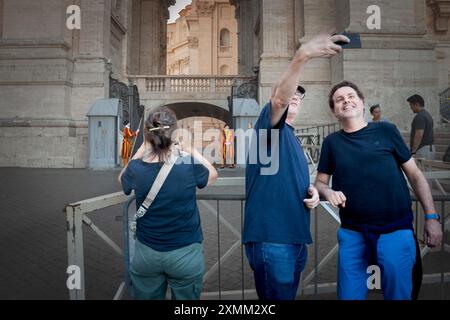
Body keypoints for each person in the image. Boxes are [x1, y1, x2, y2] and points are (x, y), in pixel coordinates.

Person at [242, 32, 349, 300]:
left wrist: (311, 193)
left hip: (295, 238)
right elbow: (280, 99)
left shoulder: (290, 137)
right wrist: (304, 55)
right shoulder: (268, 127)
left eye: (299, 97)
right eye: (291, 93)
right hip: (272, 239)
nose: (294, 98)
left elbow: (289, 181)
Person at [314, 80, 443, 300]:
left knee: (399, 295)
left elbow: (415, 174)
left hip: (395, 231)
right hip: (352, 234)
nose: (346, 101)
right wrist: (327, 193)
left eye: (351, 96)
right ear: (334, 111)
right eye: (339, 99)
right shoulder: (331, 143)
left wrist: (431, 217)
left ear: (362, 103)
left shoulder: (386, 130)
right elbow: (320, 183)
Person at [118, 107, 218, 300]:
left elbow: (122, 178)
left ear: (148, 136)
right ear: (175, 134)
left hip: (147, 252)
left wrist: (139, 150)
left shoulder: (137, 168)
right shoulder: (187, 165)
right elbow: (212, 173)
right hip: (185, 252)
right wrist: (189, 149)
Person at [407, 94, 435, 160]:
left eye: (411, 105)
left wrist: (413, 152)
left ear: (416, 104)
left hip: (423, 150)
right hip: (428, 149)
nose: (410, 107)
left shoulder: (420, 117)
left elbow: (419, 135)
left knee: (422, 170)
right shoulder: (427, 114)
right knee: (427, 170)